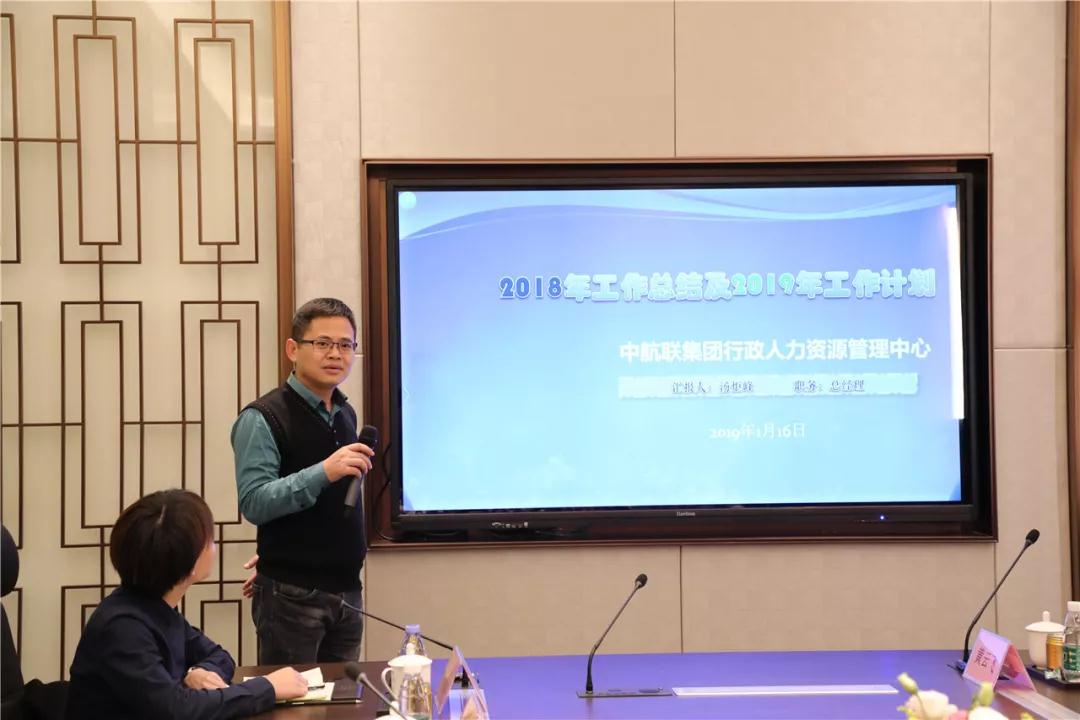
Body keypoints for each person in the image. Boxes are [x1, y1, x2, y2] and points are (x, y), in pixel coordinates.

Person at [66, 490, 309, 720]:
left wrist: (196, 673)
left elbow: (220, 656)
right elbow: (177, 711)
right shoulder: (122, 627)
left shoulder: (155, 605)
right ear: (190, 564)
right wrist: (267, 687)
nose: (215, 547)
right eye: (210, 541)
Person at [231, 298, 374, 664]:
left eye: (346, 345)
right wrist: (323, 471)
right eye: (323, 343)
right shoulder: (262, 417)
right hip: (291, 596)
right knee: (292, 696)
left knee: (345, 695)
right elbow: (254, 501)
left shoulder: (345, 412)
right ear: (293, 349)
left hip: (347, 592)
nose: (336, 354)